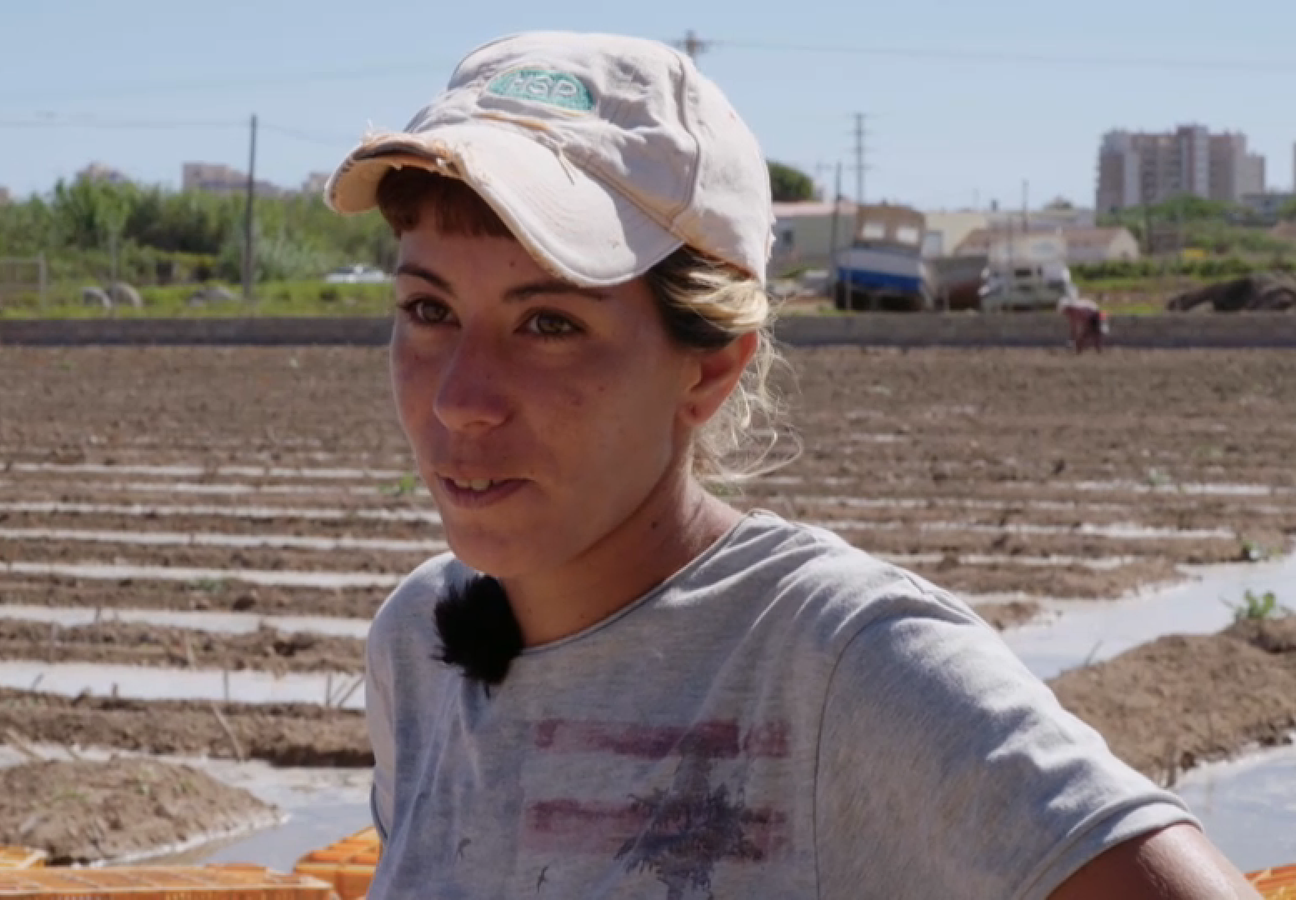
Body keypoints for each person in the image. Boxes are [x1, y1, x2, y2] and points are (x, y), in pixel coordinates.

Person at [324, 31, 1258, 898]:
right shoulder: (420, 647)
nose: (460, 398)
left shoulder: (844, 667)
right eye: (428, 310)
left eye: (551, 324)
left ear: (711, 368)